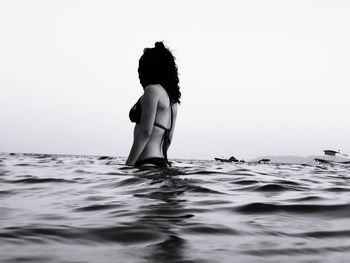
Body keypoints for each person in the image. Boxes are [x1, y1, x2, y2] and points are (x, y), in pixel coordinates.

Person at [126, 41, 181, 167]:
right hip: (162, 162)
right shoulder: (172, 101)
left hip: (146, 162)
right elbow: (168, 139)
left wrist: (128, 166)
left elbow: (145, 132)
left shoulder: (152, 90)